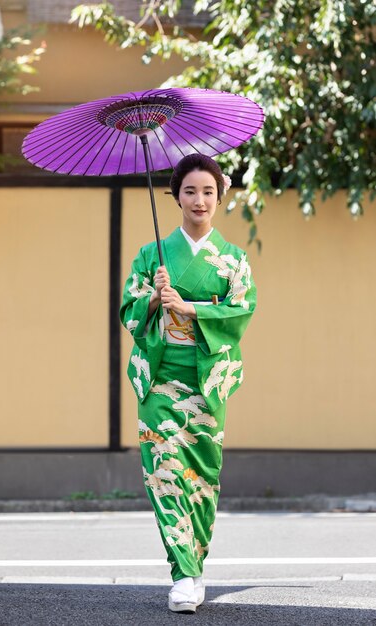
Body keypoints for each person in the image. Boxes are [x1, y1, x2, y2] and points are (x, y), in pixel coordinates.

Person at [120, 153, 257, 613]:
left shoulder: (233, 260)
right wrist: (155, 300)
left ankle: (196, 566)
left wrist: (192, 308)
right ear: (176, 196)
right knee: (164, 471)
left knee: (202, 475)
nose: (199, 200)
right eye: (190, 191)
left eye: (208, 191)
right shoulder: (149, 257)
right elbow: (129, 311)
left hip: (206, 380)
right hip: (160, 379)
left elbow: (241, 311)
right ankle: (181, 574)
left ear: (221, 196)